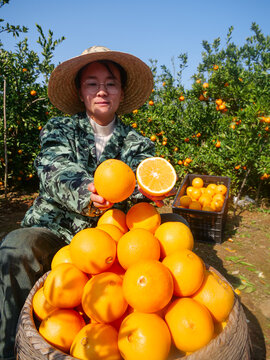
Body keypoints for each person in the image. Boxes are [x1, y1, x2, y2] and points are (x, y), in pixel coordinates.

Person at [0, 45, 187, 360]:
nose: (102, 90)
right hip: (56, 228)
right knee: (17, 246)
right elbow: (52, 170)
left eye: (111, 83)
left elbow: (144, 183)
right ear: (80, 91)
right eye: (92, 83)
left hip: (114, 240)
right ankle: (7, 349)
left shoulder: (137, 141)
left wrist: (152, 191)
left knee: (176, 226)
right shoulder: (60, 129)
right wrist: (88, 191)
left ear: (121, 92)